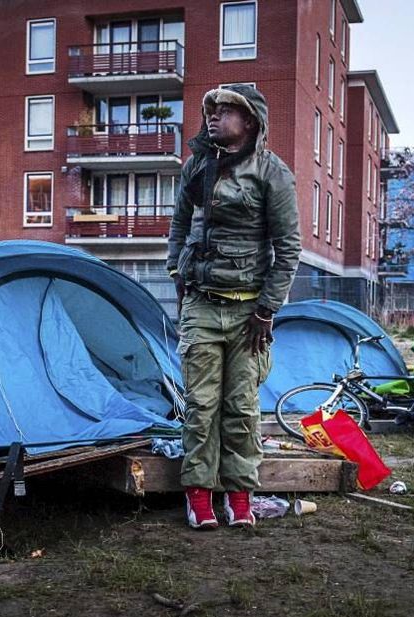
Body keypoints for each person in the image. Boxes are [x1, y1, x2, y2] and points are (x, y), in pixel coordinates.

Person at [166, 84, 301, 529]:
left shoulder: (272, 172)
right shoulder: (198, 166)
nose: (214, 117)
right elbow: (180, 221)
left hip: (249, 314)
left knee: (241, 407)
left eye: (226, 111)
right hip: (202, 305)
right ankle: (199, 495)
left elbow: (289, 247)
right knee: (200, 404)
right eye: (212, 110)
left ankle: (240, 495)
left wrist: (267, 309)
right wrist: (175, 270)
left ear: (250, 122)